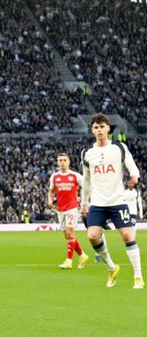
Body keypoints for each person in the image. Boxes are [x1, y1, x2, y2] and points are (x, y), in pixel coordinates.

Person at [80, 113, 143, 289]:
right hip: (98, 203)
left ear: (108, 128)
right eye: (96, 127)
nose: (99, 130)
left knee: (127, 235)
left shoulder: (119, 148)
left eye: (102, 126)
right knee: (92, 236)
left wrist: (134, 176)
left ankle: (138, 276)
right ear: (92, 130)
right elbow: (86, 180)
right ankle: (111, 267)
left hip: (117, 200)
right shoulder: (87, 153)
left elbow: (132, 167)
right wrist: (84, 202)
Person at [47, 153, 90, 270]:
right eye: (60, 160)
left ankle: (69, 261)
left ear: (69, 162)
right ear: (57, 162)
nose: (62, 162)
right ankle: (82, 255)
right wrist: (50, 200)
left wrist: (85, 202)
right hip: (60, 209)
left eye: (64, 160)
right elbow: (51, 191)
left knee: (70, 233)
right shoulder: (54, 177)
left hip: (72, 208)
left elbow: (86, 188)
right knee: (67, 236)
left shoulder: (75, 176)